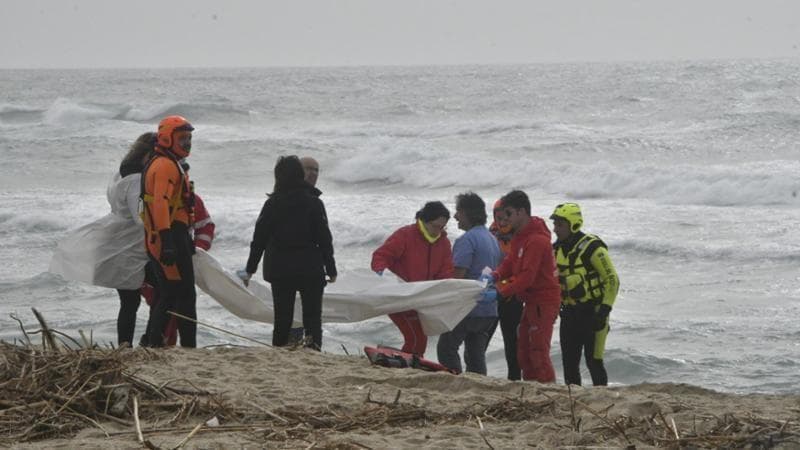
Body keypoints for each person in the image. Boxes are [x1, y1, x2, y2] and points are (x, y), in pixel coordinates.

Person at [243, 155, 337, 350]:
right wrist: (331, 268)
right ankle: (313, 351)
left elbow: (259, 239)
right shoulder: (314, 203)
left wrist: (250, 268)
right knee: (312, 317)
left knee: (282, 318)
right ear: (300, 175)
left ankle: (278, 352)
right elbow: (324, 239)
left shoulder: (272, 204)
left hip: (280, 270)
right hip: (309, 268)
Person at [491, 190, 560, 382]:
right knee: (523, 351)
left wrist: (500, 292)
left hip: (543, 302)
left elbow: (527, 277)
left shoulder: (537, 240)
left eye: (509, 214)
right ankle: (531, 389)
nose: (506, 220)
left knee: (538, 352)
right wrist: (496, 274)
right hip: (530, 301)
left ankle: (548, 391)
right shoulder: (521, 236)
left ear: (521, 212)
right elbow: (512, 261)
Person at [141, 115, 198, 348]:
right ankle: (183, 346)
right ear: (166, 138)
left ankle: (155, 342)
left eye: (189, 138)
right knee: (179, 294)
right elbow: (160, 204)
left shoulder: (168, 162)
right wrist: (168, 242)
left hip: (173, 234)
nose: (187, 143)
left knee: (172, 293)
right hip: (169, 236)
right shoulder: (164, 166)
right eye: (182, 138)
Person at [147, 159, 216, 346]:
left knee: (172, 298)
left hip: (177, 251)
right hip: (163, 252)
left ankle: (166, 343)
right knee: (170, 298)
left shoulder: (191, 200)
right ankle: (160, 343)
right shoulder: (160, 198)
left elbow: (206, 226)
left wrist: (197, 250)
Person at [371, 201, 454, 356]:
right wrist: (383, 274)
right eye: (436, 226)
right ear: (425, 220)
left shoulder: (443, 243)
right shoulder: (406, 235)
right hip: (398, 297)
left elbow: (446, 273)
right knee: (416, 337)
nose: (439, 231)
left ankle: (409, 362)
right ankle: (410, 366)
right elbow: (380, 256)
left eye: (443, 227)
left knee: (419, 337)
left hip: (421, 299)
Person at [551, 203, 620, 386]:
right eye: (555, 224)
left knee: (594, 362)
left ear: (573, 224)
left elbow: (612, 279)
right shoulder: (556, 249)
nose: (555, 229)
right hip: (570, 314)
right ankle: (573, 402)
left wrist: (604, 311)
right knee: (569, 365)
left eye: (560, 225)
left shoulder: (592, 248)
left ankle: (602, 400)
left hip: (594, 314)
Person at [436, 192, 502, 375]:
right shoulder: (492, 239)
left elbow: (459, 278)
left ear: (466, 213)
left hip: (468, 308)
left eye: (458, 212)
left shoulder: (467, 240)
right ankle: (477, 384)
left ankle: (454, 381)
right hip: (488, 308)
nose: (455, 216)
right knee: (475, 355)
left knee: (446, 348)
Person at [287, 156, 323, 345]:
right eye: (309, 169)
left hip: (309, 267)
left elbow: (323, 237)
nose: (313, 174)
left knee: (312, 316)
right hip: (287, 266)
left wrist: (329, 267)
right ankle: (290, 345)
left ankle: (311, 348)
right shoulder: (282, 197)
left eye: (316, 170)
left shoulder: (315, 199)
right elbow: (263, 234)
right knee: (287, 313)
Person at [489, 198, 524, 380]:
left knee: (513, 344)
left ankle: (515, 381)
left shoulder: (521, 238)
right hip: (491, 297)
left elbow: (523, 272)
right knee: (480, 343)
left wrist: (505, 288)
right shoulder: (489, 235)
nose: (502, 222)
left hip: (512, 298)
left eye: (506, 218)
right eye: (498, 218)